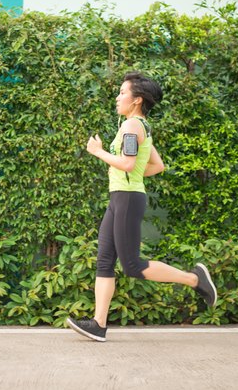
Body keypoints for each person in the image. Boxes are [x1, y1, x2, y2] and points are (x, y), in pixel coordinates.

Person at [66, 72, 217, 342]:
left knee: (133, 265)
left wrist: (98, 152)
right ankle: (98, 324)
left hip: (126, 198)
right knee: (104, 261)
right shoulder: (140, 126)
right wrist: (131, 176)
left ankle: (195, 280)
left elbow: (127, 164)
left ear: (137, 100)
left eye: (122, 92)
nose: (117, 97)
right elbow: (156, 166)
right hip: (121, 196)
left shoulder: (132, 127)